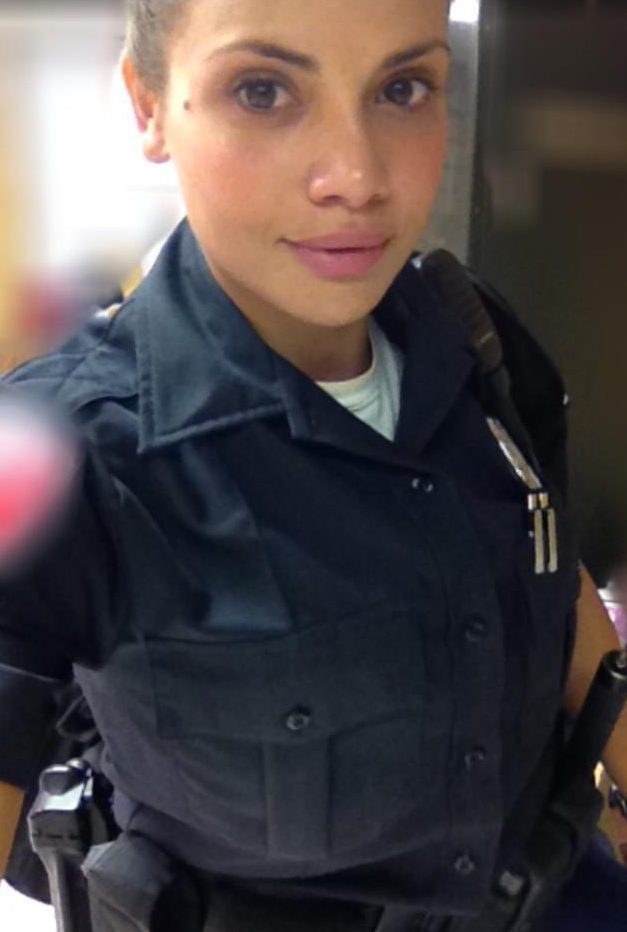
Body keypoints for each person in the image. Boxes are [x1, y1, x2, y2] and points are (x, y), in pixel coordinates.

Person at [0, 1, 626, 930]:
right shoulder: (60, 451)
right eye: (262, 91)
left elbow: (542, 562)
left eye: (402, 88)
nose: (357, 178)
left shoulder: (476, 339)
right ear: (148, 104)